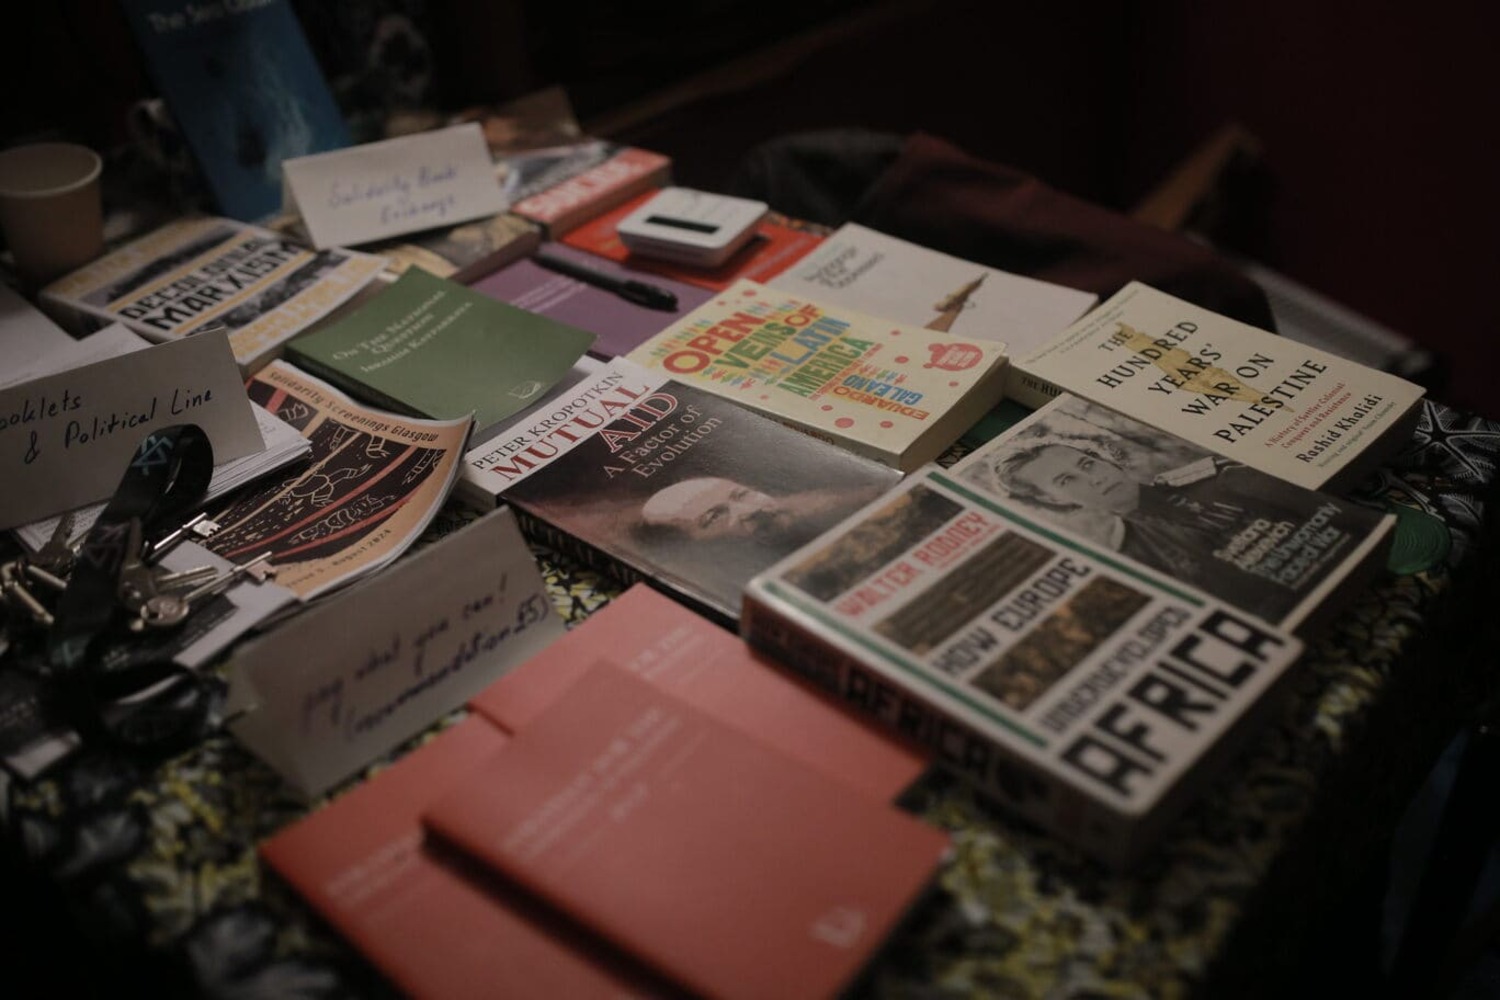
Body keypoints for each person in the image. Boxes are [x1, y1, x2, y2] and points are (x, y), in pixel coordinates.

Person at [993, 441, 1315, 619]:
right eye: (1066, 481)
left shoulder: (1221, 479)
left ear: (1104, 460)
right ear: (1053, 499)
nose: (1094, 478)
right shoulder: (1134, 558)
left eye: (1087, 464)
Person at [637, 475, 882, 548]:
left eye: (742, 495)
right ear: (692, 545)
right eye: (714, 517)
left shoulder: (854, 502)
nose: (751, 510)